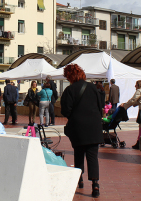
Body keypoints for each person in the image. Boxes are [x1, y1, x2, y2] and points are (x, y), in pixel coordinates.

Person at [61, 63, 103, 198]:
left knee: (78, 153)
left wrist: (74, 116)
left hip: (78, 127)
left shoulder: (69, 90)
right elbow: (100, 106)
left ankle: (79, 180)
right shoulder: (93, 87)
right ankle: (95, 185)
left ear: (70, 76)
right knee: (92, 156)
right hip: (94, 126)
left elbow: (65, 110)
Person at [121, 80, 141, 150]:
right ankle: (139, 143)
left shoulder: (139, 91)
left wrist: (125, 105)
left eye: (136, 85)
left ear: (138, 85)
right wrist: (134, 104)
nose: (135, 86)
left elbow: (133, 100)